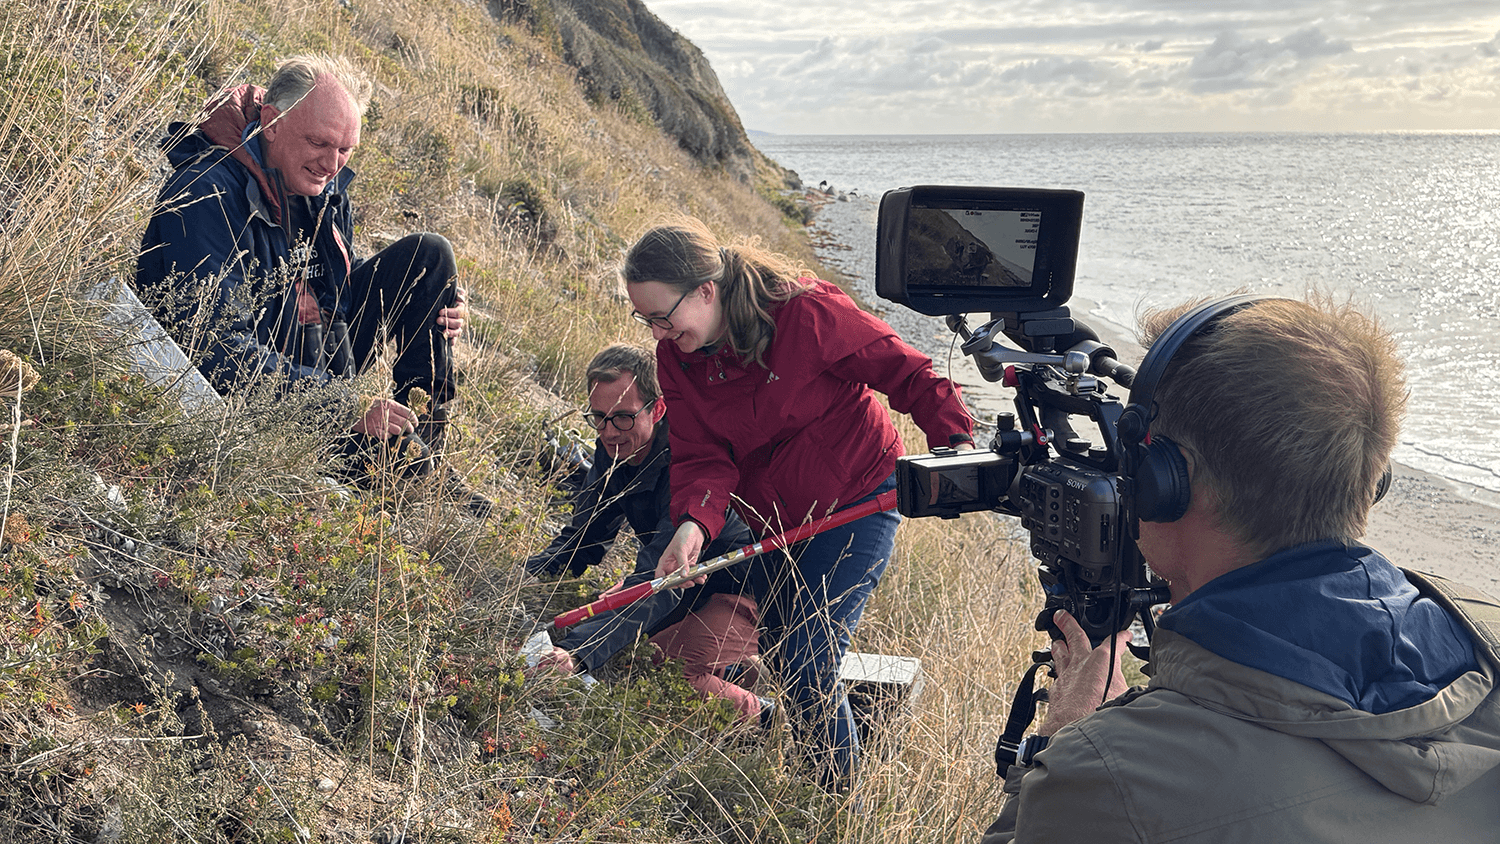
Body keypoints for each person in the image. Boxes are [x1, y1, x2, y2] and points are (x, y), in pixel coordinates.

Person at [981, 295, 1500, 842]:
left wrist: (1064, 747)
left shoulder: (1106, 782)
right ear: (1373, 480)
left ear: (1163, 485)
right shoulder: (1485, 630)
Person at [619, 217, 974, 786]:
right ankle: (829, 751)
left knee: (808, 658)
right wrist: (693, 525)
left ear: (706, 290)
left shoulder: (807, 314)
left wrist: (954, 448)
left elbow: (908, 372)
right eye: (646, 320)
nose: (658, 333)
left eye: (664, 317)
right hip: (775, 518)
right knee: (784, 652)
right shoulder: (677, 360)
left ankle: (834, 800)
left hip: (859, 493)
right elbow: (702, 456)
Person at [135, 54, 489, 515]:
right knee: (399, 462)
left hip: (316, 361)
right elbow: (213, 349)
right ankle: (397, 466)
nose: (331, 164)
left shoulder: (313, 183)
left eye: (345, 151)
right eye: (320, 143)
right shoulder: (207, 192)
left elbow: (332, 282)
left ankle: (425, 446)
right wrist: (341, 407)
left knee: (429, 259)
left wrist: (430, 304)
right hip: (251, 403)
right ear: (272, 122)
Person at [525, 344, 768, 723]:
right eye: (598, 417)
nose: (608, 432)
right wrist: (522, 578)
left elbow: (659, 583)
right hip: (687, 584)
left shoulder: (690, 463)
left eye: (622, 418)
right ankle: (739, 670)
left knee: (676, 673)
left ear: (657, 409)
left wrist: (577, 652)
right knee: (639, 653)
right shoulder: (616, 446)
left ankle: (768, 716)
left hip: (744, 590)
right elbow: (585, 538)